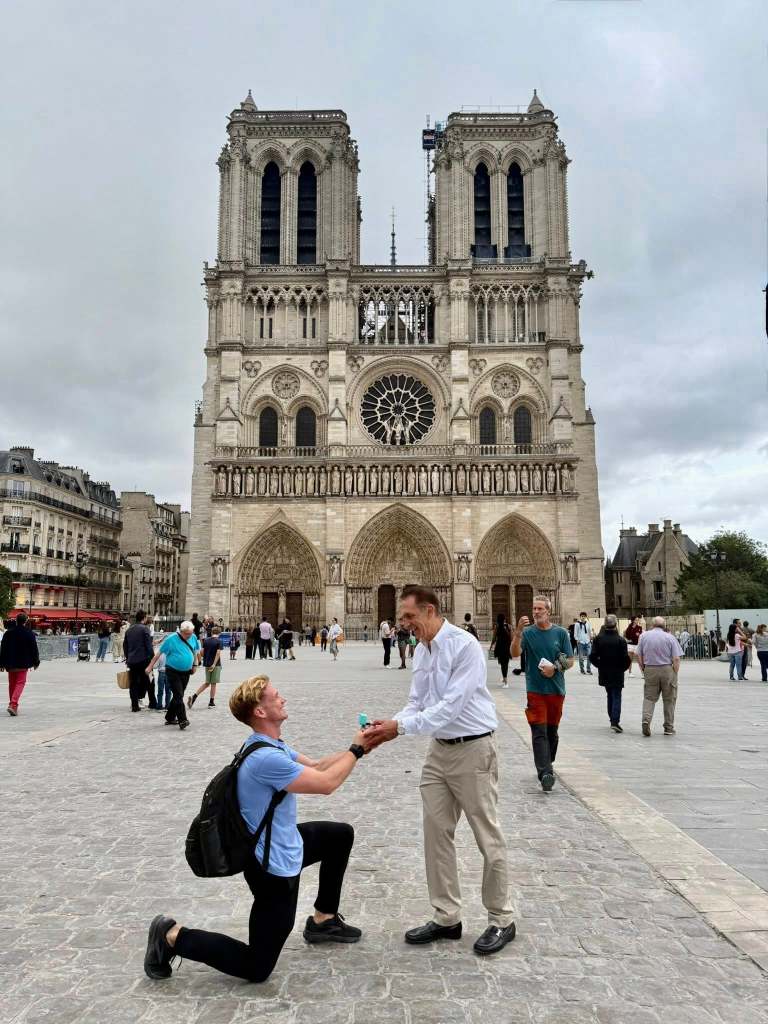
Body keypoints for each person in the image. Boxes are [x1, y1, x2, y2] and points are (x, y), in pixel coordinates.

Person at [143, 675, 371, 983]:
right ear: (260, 712)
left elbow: (318, 767)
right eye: (276, 697)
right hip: (272, 868)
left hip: (286, 843)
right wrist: (355, 751)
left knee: (338, 836)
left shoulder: (267, 745)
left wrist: (360, 747)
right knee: (257, 966)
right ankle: (171, 936)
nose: (283, 699)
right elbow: (327, 783)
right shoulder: (265, 759)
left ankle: (324, 919)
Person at [364, 586, 515, 956]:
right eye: (402, 618)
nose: (404, 624)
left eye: (409, 617)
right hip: (439, 751)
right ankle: (447, 916)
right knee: (436, 833)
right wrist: (389, 724)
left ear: (429, 611)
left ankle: (501, 918)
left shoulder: (464, 646)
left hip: (474, 749)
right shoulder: (421, 650)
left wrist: (399, 728)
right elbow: (417, 702)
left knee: (487, 835)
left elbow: (451, 706)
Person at [511, 597, 574, 791]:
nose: (536, 612)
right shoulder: (528, 633)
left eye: (540, 609)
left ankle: (548, 760)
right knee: (539, 731)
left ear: (548, 611)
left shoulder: (561, 633)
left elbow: (570, 660)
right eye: (534, 609)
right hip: (535, 690)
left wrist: (555, 668)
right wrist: (518, 633)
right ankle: (545, 773)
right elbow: (515, 653)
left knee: (551, 732)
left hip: (556, 690)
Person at [146, 621, 200, 731]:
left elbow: (195, 652)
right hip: (172, 671)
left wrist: (195, 665)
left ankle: (170, 717)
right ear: (181, 631)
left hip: (186, 671)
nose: (189, 636)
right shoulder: (171, 639)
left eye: (190, 633)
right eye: (187, 634)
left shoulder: (193, 637)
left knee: (178, 695)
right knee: (178, 695)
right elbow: (158, 654)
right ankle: (183, 720)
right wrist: (150, 666)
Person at [636, 616, 683, 736]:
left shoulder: (644, 636)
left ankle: (646, 720)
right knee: (669, 699)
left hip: (650, 668)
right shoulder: (670, 637)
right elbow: (676, 658)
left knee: (649, 698)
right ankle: (668, 727)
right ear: (664, 625)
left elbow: (639, 655)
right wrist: (675, 672)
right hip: (667, 669)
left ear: (652, 625)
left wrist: (643, 668)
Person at [589, 615, 631, 732]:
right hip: (617, 671)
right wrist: (622, 668)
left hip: (604, 671)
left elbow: (592, 656)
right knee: (616, 695)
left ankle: (612, 718)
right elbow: (626, 658)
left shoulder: (598, 639)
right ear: (615, 624)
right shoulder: (621, 640)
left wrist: (599, 665)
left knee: (610, 694)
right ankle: (615, 721)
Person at [0, 612, 40, 716]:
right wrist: (36, 662)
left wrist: (1, 663)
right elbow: (34, 649)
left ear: (16, 620)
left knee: (12, 684)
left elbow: (3, 649)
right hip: (23, 662)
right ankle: (13, 704)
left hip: (10, 663)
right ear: (26, 621)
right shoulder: (29, 633)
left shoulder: (8, 633)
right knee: (20, 683)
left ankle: (13, 705)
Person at [124, 610, 157, 712]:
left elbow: (125, 646)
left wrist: (128, 658)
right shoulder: (145, 629)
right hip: (144, 660)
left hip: (132, 661)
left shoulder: (129, 630)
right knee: (150, 681)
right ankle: (152, 702)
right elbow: (148, 646)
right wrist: (153, 659)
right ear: (144, 618)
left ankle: (134, 705)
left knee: (134, 683)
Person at [189, 625, 222, 709]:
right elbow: (218, 653)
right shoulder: (219, 641)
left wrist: (206, 657)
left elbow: (201, 652)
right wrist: (214, 664)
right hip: (215, 665)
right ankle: (211, 702)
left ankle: (194, 696)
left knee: (207, 683)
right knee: (213, 683)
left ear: (212, 632)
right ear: (219, 633)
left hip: (207, 663)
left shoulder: (206, 640)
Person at [491, 613, 512, 688]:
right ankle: (504, 679)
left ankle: (506, 682)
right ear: (504, 619)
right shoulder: (509, 626)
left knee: (503, 664)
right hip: (507, 647)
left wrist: (491, 645)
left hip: (500, 647)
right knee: (505, 664)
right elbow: (511, 637)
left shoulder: (497, 627)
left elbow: (494, 638)